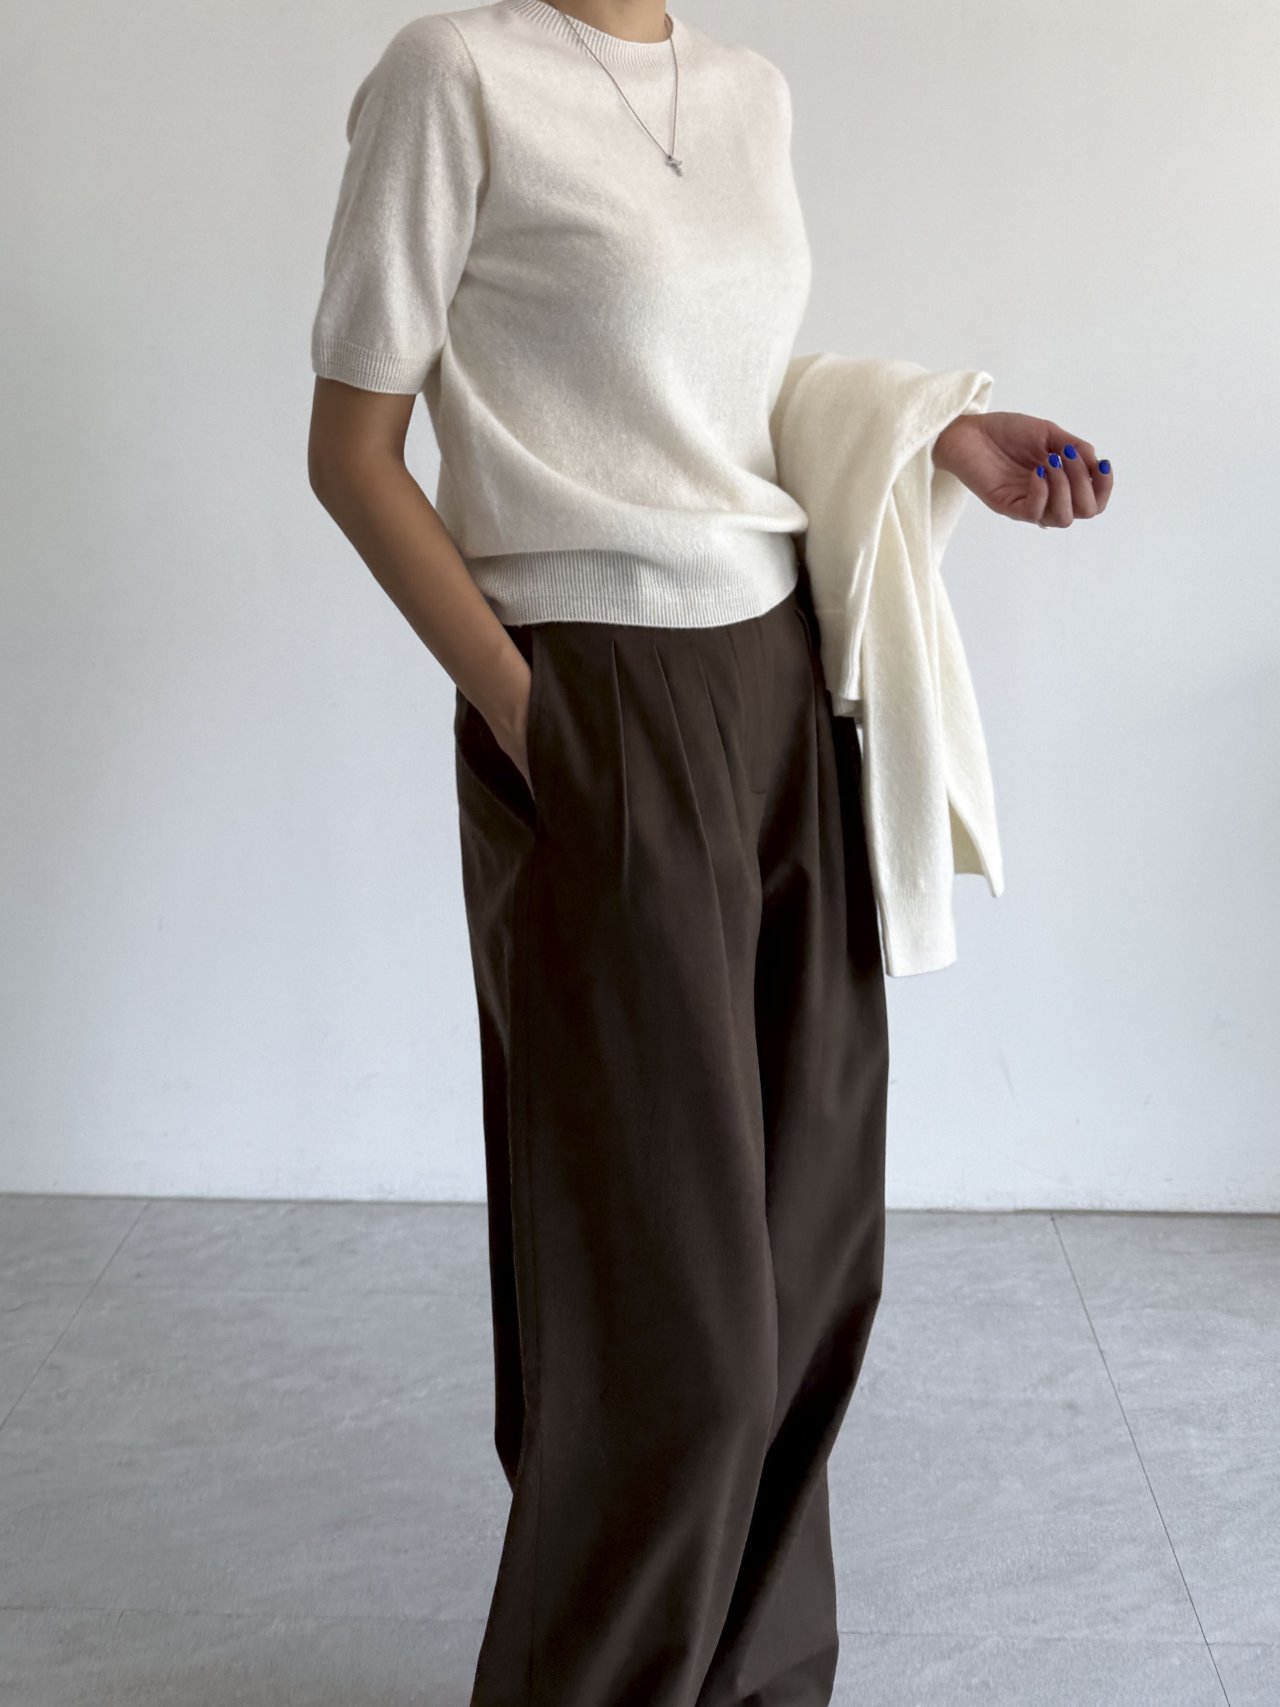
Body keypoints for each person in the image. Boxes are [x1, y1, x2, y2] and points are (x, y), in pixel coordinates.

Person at [305, 4, 1112, 1702]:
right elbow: (351, 450)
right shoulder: (457, 76)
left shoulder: (748, 91)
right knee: (674, 1331)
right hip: (599, 698)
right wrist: (531, 713)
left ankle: (754, 1686)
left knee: (811, 1272)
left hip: (780, 687)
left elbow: (720, 399)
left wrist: (938, 434)